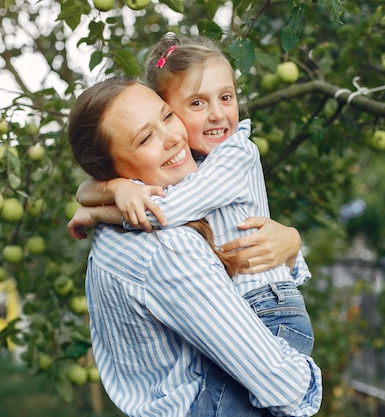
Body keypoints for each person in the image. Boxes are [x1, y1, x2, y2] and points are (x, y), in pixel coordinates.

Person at [67, 76, 321, 416]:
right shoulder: (167, 247)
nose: (173, 137)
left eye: (168, 116)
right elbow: (282, 385)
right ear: (111, 170)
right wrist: (306, 379)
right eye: (146, 138)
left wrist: (291, 245)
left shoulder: (130, 224)